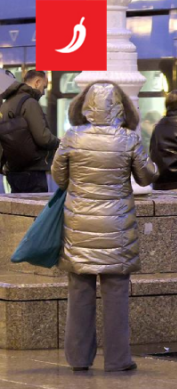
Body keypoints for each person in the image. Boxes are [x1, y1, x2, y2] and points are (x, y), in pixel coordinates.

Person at [53, 82, 158, 372]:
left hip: (79, 226)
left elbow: (58, 176)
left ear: (85, 106)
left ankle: (78, 358)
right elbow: (146, 176)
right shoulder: (128, 139)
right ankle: (117, 359)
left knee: (79, 293)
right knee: (116, 295)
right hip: (117, 228)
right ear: (121, 107)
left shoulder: (73, 136)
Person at [0, 70, 60, 193]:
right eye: (44, 86)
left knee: (17, 209)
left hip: (13, 170)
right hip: (32, 171)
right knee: (36, 210)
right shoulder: (30, 103)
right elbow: (43, 137)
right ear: (37, 82)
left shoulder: (5, 106)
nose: (43, 92)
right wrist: (60, 142)